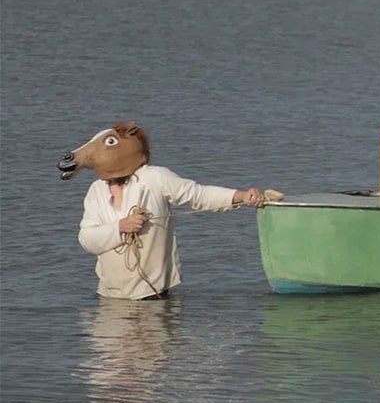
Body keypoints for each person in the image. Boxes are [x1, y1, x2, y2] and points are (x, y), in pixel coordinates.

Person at [71, 122, 267, 300]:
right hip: (108, 295)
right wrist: (121, 227)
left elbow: (198, 195)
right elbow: (87, 239)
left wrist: (242, 196)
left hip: (151, 294)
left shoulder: (154, 177)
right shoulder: (97, 190)